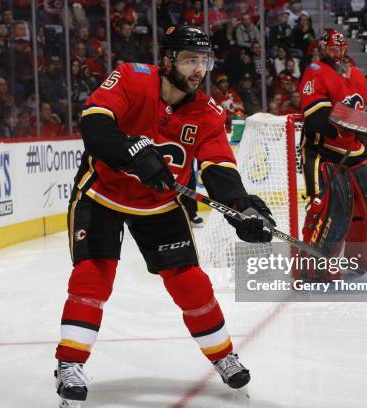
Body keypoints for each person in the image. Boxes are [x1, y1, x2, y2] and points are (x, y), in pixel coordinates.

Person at [54, 25, 275, 406]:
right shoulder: (130, 78)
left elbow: (219, 168)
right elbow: (94, 124)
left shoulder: (207, 113)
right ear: (168, 59)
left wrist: (242, 208)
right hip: (101, 194)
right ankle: (69, 364)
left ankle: (223, 357)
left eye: (203, 61)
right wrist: (131, 152)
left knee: (190, 283)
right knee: (93, 275)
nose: (198, 70)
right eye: (190, 59)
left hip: (159, 203)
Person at [296, 28, 367, 282]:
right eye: (331, 48)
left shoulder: (356, 76)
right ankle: (313, 261)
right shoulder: (315, 73)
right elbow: (316, 122)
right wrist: (351, 124)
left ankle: (365, 253)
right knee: (330, 207)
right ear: (322, 49)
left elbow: (363, 119)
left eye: (340, 47)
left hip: (354, 150)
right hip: (323, 152)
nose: (336, 52)